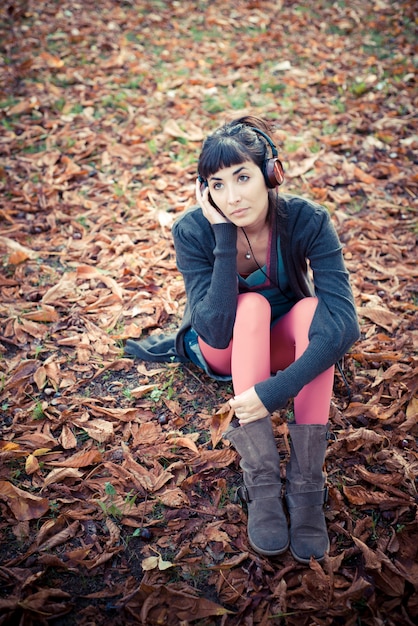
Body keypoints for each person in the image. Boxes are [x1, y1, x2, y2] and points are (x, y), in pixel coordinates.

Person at [125, 115, 360, 563]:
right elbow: (211, 328)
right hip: (225, 345)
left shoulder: (307, 221)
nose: (232, 197)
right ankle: (263, 483)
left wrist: (276, 390)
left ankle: (308, 487)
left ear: (271, 173)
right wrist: (221, 236)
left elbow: (345, 323)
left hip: (279, 348)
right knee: (250, 306)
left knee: (314, 312)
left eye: (243, 177)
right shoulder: (193, 230)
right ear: (204, 191)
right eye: (216, 184)